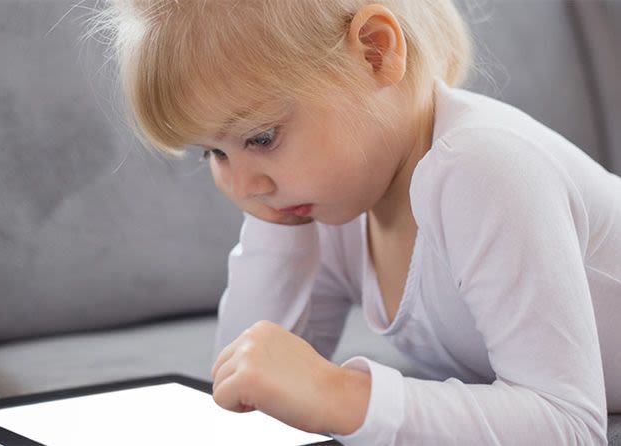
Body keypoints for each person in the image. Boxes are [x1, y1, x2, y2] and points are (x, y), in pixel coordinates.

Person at [93, 0, 621, 444]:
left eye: (260, 138)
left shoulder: (483, 168)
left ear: (375, 51)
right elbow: (245, 393)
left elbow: (569, 423)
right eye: (213, 153)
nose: (244, 186)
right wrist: (279, 236)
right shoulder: (331, 202)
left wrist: (341, 395)